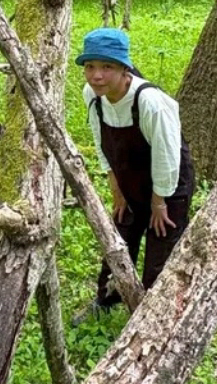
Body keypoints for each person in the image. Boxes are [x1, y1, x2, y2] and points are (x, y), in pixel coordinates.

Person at [75, 27, 195, 316]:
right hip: (129, 178)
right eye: (90, 67)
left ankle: (152, 315)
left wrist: (159, 202)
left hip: (169, 183)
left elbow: (167, 156)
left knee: (161, 249)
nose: (96, 75)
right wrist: (116, 188)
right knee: (119, 240)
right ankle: (107, 300)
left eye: (107, 67)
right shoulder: (93, 95)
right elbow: (101, 141)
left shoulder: (150, 102)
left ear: (124, 68)